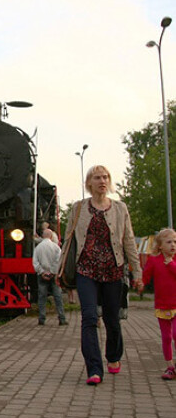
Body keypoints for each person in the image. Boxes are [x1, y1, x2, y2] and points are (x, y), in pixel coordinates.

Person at [58, 165, 141, 386]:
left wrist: (137, 272)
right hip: (86, 270)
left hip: (113, 271)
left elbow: (129, 242)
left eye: (105, 177)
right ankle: (94, 369)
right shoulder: (78, 208)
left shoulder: (120, 209)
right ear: (89, 183)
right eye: (97, 177)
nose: (102, 181)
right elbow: (67, 242)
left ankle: (113, 356)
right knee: (89, 318)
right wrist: (59, 270)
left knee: (112, 319)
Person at [140, 228, 176, 380]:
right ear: (160, 245)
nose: (173, 245)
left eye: (175, 242)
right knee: (166, 337)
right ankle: (170, 366)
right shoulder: (154, 260)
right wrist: (140, 283)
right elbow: (146, 276)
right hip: (162, 305)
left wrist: (170, 264)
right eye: (169, 242)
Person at [33, 228, 67, 326]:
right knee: (58, 297)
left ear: (43, 236)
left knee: (42, 297)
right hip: (54, 275)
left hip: (42, 275)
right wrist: (52, 272)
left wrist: (42, 272)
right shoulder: (56, 247)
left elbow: (35, 262)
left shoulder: (38, 248)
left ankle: (41, 319)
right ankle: (62, 318)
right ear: (51, 236)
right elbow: (58, 261)